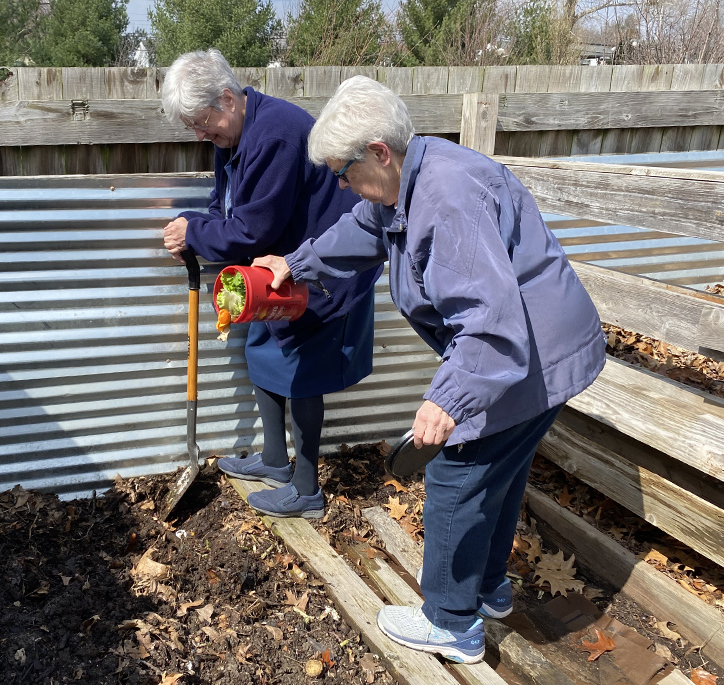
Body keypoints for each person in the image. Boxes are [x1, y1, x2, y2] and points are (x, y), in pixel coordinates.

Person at [252, 76, 606, 664]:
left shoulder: (445, 198)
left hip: (528, 353)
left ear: (379, 153)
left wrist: (448, 401)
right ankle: (488, 589)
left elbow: (489, 324)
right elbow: (360, 232)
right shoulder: (406, 183)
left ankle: (450, 622)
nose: (341, 185)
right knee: (498, 473)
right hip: (542, 346)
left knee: (458, 472)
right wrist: (296, 263)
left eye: (343, 172)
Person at [160, 50, 382, 519]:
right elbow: (228, 209)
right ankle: (276, 462)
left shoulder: (275, 133)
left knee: (301, 376)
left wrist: (195, 233)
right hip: (275, 269)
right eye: (193, 128)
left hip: (321, 272)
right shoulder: (233, 139)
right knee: (260, 353)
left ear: (227, 98)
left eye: (202, 122)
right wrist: (194, 227)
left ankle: (307, 491)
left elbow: (252, 228)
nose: (201, 135)